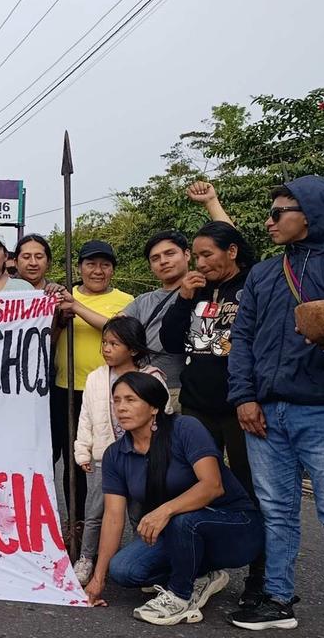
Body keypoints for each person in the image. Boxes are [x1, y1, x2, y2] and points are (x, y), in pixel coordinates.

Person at [225, 175, 324, 638]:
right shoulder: (264, 273)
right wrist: (244, 397)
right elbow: (242, 338)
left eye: (278, 212)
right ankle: (278, 600)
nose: (269, 221)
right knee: (277, 511)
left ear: (311, 214)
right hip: (265, 411)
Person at [83, 372, 264, 626]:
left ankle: (181, 597)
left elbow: (212, 486)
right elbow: (113, 517)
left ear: (154, 407)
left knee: (183, 520)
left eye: (131, 400)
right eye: (116, 401)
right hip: (178, 532)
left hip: (235, 527)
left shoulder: (185, 428)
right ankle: (201, 576)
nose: (121, 408)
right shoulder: (116, 454)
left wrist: (164, 510)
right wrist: (98, 579)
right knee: (124, 570)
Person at [160, 220, 265, 606]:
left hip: (239, 406)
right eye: (198, 256)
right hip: (196, 405)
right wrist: (184, 299)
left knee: (250, 488)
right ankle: (196, 566)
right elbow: (171, 341)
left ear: (231, 252)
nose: (200, 263)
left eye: (208, 255)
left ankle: (260, 575)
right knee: (190, 483)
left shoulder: (252, 283)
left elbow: (251, 342)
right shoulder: (196, 289)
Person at [73, 317, 167, 584]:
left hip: (140, 458)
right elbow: (85, 417)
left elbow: (164, 417)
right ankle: (86, 558)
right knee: (94, 513)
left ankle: (143, 560)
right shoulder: (95, 378)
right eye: (104, 342)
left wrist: (158, 453)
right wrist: (83, 450)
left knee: (139, 512)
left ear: (133, 349)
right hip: (103, 457)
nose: (106, 348)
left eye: (114, 343)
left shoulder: (151, 378)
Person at [51, 240, 134, 529]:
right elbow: (47, 338)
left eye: (105, 265)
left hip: (110, 391)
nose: (97, 271)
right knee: (74, 460)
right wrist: (60, 317)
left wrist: (76, 307)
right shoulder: (62, 297)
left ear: (113, 270)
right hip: (66, 389)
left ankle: (111, 525)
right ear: (79, 268)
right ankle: (76, 523)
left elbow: (118, 332)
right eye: (91, 264)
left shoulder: (126, 300)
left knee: (111, 459)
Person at [121, 230, 191, 414]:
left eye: (170, 253)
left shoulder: (204, 288)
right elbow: (116, 327)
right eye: (155, 258)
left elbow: (228, 243)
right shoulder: (142, 300)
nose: (163, 261)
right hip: (147, 389)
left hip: (185, 390)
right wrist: (76, 306)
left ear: (187, 254)